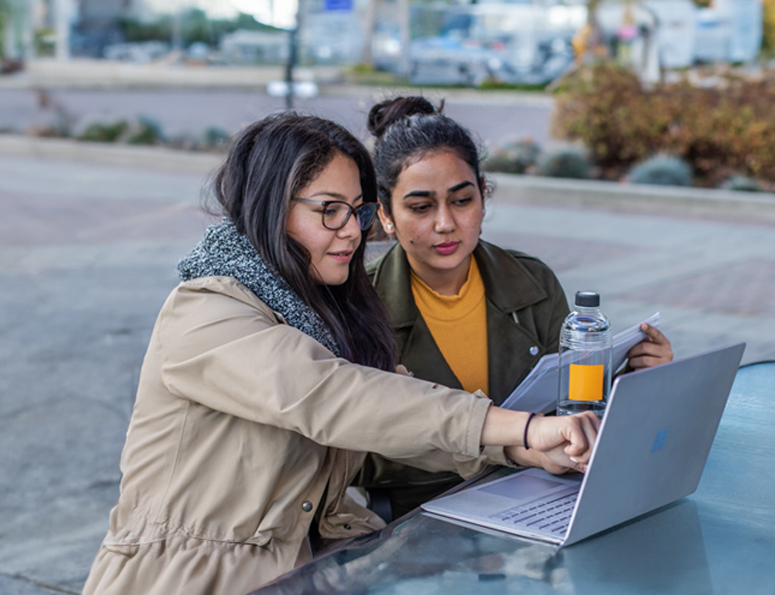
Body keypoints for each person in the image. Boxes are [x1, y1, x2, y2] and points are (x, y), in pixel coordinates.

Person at [82, 112, 600, 595]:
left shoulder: (323, 309)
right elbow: (338, 396)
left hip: (302, 570)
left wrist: (523, 451)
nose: (354, 231)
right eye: (329, 211)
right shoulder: (206, 311)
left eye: (356, 211)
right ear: (269, 207)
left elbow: (400, 421)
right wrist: (525, 429)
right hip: (183, 579)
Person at [358, 96, 673, 519]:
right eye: (420, 207)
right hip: (423, 520)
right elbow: (360, 457)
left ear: (483, 198)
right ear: (386, 214)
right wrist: (514, 447)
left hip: (543, 499)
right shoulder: (362, 305)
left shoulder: (532, 282)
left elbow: (572, 408)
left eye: (462, 200)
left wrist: (633, 382)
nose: (445, 223)